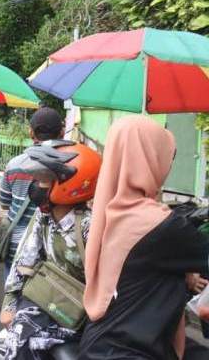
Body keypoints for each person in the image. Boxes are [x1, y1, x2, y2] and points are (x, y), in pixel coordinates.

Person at [79, 116, 209, 360]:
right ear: (149, 160)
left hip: (101, 344)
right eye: (167, 157)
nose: (168, 166)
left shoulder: (108, 210)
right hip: (131, 352)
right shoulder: (158, 225)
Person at [0, 142, 101, 360]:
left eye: (45, 181)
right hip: (41, 301)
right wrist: (9, 302)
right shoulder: (43, 217)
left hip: (76, 313)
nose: (38, 187)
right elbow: (24, 259)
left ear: (73, 184)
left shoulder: (90, 226)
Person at [0, 107, 65, 279]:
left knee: (11, 295)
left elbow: (4, 203)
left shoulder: (14, 164)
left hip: (17, 246)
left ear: (30, 132)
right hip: (51, 250)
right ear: (63, 132)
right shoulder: (70, 168)